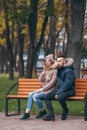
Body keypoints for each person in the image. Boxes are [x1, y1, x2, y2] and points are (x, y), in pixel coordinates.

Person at [20, 54, 57, 120]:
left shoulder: (55, 71)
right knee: (31, 94)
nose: (47, 62)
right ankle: (27, 113)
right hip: (44, 90)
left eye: (49, 61)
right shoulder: (46, 70)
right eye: (46, 61)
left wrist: (41, 89)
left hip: (50, 91)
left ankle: (42, 111)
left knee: (35, 96)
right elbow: (40, 80)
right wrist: (43, 72)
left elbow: (52, 83)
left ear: (52, 62)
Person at [42, 55, 76, 121]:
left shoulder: (69, 71)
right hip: (60, 90)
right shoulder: (58, 70)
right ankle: (51, 115)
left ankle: (65, 109)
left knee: (60, 97)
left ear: (65, 62)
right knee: (46, 96)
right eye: (57, 61)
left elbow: (67, 85)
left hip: (69, 90)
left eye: (60, 61)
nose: (57, 63)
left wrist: (58, 92)